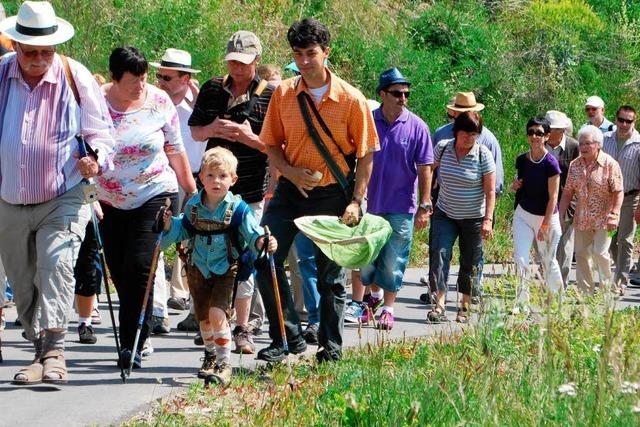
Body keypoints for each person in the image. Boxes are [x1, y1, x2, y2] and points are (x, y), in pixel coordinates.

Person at [0, 1, 115, 384]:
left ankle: (54, 350)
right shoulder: (0, 75)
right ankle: (38, 350)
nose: (38, 59)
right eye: (30, 52)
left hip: (62, 194)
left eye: (45, 52)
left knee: (56, 266)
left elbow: (101, 134)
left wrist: (94, 159)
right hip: (8, 196)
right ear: (14, 46)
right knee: (22, 277)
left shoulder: (74, 76)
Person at [257, 18, 378, 363]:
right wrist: (291, 172)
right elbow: (271, 144)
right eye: (298, 54)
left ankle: (331, 347)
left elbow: (366, 154)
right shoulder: (282, 93)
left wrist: (356, 200)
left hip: (332, 195)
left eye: (311, 53)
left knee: (330, 276)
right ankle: (286, 337)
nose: (304, 61)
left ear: (326, 52)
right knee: (264, 255)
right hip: (290, 193)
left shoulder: (351, 99)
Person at [97, 46, 197, 368]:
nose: (141, 86)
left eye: (143, 78)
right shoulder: (95, 102)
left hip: (155, 192)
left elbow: (176, 150)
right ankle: (138, 327)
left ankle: (130, 345)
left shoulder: (158, 101)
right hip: (108, 200)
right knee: (119, 270)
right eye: (133, 81)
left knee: (140, 264)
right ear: (115, 78)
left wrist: (193, 194)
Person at [189, 31, 274, 354]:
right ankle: (214, 322)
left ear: (256, 60)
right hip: (211, 190)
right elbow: (196, 131)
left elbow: (276, 146)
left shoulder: (270, 95)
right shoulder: (213, 88)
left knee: (246, 257)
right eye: (232, 62)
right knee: (209, 255)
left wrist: (247, 137)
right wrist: (214, 129)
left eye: (243, 62)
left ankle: (243, 327)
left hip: (249, 189)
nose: (237, 69)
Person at [161, 147, 276, 385]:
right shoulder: (193, 206)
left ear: (233, 180)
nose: (216, 181)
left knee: (217, 314)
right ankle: (210, 355)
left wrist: (263, 242)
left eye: (222, 176)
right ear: (201, 177)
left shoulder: (239, 209)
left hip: (226, 268)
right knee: (204, 319)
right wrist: (166, 225)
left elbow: (253, 234)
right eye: (210, 176)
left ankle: (225, 364)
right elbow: (180, 229)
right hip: (197, 267)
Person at [345, 67, 433, 330]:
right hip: (370, 204)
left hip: (401, 206)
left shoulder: (417, 126)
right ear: (382, 94)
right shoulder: (368, 123)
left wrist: (425, 204)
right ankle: (371, 298)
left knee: (394, 258)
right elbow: (354, 159)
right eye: (396, 93)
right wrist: (354, 199)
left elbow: (425, 166)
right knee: (367, 257)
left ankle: (388, 308)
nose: (403, 98)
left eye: (406, 93)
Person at [427, 112, 495, 323]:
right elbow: (429, 168)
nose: (469, 138)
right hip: (445, 212)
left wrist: (488, 219)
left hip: (473, 217)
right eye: (466, 133)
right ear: (457, 132)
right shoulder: (443, 147)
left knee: (470, 261)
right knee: (439, 253)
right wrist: (426, 195)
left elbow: (490, 190)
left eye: (474, 134)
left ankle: (464, 305)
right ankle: (439, 305)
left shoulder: (483, 154)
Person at [151, 48, 204, 314]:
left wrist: (199, 103)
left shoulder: (198, 107)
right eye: (159, 75)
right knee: (158, 237)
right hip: (163, 179)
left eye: (167, 77)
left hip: (196, 178)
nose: (160, 81)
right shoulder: (152, 103)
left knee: (193, 237)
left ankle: (182, 293)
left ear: (185, 80)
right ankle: (158, 305)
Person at [559, 125, 623, 294]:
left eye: (588, 143)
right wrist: (560, 214)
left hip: (605, 219)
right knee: (580, 254)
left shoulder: (610, 164)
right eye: (581, 144)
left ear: (598, 144)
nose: (583, 147)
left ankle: (605, 290)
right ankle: (585, 292)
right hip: (582, 218)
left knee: (600, 253)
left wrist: (615, 214)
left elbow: (618, 192)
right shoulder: (575, 165)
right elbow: (567, 192)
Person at [510, 117, 563, 314]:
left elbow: (554, 197)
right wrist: (515, 185)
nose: (534, 136)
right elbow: (519, 183)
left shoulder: (551, 163)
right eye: (531, 132)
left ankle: (556, 301)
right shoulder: (522, 160)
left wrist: (546, 225)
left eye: (539, 133)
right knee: (521, 259)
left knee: (548, 259)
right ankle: (522, 302)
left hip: (546, 217)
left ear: (547, 136)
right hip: (524, 214)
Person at [602, 106, 640, 293]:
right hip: (605, 197)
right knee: (610, 240)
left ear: (634, 122)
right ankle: (621, 267)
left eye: (629, 121)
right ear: (615, 119)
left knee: (625, 239)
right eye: (621, 120)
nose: (624, 124)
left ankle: (620, 282)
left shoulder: (638, 143)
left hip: (629, 197)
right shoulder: (605, 140)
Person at [543, 110, 579, 286]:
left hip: (567, 202)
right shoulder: (540, 144)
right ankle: (547, 281)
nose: (554, 132)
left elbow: (580, 175)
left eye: (558, 129)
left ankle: (561, 284)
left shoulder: (574, 147)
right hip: (543, 202)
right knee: (546, 242)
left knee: (564, 244)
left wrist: (575, 202)